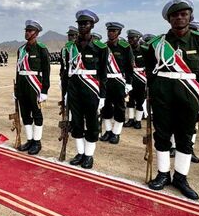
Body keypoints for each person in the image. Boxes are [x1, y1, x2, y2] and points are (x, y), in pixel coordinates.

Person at [144, 0, 199, 200]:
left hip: (189, 97)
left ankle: (181, 178)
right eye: (175, 15)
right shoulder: (157, 44)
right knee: (162, 136)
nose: (179, 18)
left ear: (190, 16)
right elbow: (150, 70)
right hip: (163, 97)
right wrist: (154, 90)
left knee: (184, 138)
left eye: (184, 14)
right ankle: (163, 174)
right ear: (169, 19)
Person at [61, 10, 108, 169]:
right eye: (80, 24)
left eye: (86, 23)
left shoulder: (100, 47)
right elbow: (66, 72)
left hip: (91, 88)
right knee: (77, 121)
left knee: (92, 122)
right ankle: (80, 153)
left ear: (92, 25)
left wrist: (102, 95)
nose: (82, 26)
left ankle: (89, 155)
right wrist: (65, 92)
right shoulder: (69, 47)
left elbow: (103, 73)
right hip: (74, 88)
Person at [15, 20, 51, 155]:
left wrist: (44, 91)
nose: (26, 33)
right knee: (25, 114)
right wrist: (17, 89)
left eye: (29, 31)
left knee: (37, 114)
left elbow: (46, 71)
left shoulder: (42, 49)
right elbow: (18, 71)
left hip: (35, 85)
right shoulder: (21, 50)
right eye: (26, 30)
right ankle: (29, 140)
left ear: (36, 33)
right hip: (23, 86)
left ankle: (37, 141)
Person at [99, 22, 134, 145]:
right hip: (105, 81)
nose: (111, 33)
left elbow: (130, 67)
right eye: (109, 31)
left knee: (119, 107)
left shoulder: (125, 47)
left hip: (119, 81)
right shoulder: (103, 47)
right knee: (106, 107)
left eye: (114, 31)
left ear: (119, 33)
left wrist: (129, 83)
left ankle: (116, 133)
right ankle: (108, 131)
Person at [124, 29, 146, 130]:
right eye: (129, 38)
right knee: (130, 100)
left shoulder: (144, 49)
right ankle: (131, 119)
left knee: (140, 101)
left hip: (141, 78)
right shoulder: (126, 50)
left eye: (133, 38)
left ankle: (138, 121)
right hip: (130, 77)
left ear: (138, 38)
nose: (130, 40)